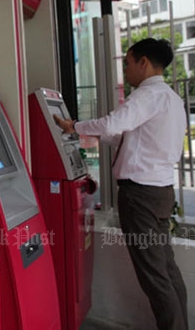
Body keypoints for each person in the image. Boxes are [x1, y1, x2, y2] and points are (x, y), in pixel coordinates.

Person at [54, 38, 188, 330]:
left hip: (140, 195)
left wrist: (74, 126)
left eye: (127, 63)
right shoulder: (172, 100)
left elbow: (114, 124)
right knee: (165, 267)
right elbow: (127, 136)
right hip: (161, 193)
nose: (125, 70)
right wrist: (89, 133)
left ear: (143, 62)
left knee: (153, 274)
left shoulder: (146, 95)